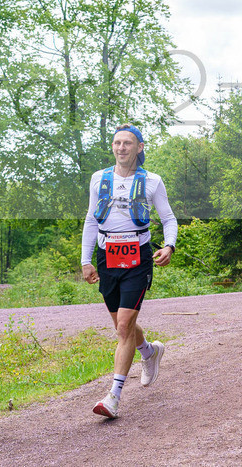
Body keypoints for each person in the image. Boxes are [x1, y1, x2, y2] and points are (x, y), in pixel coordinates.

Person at [82, 124, 178, 419]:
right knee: (122, 325)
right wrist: (86, 259)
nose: (121, 148)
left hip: (139, 257)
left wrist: (170, 246)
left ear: (140, 147)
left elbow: (169, 218)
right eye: (116, 143)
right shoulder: (99, 179)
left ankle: (113, 396)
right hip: (106, 256)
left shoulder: (152, 181)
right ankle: (149, 352)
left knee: (124, 327)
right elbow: (90, 219)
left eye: (127, 143)